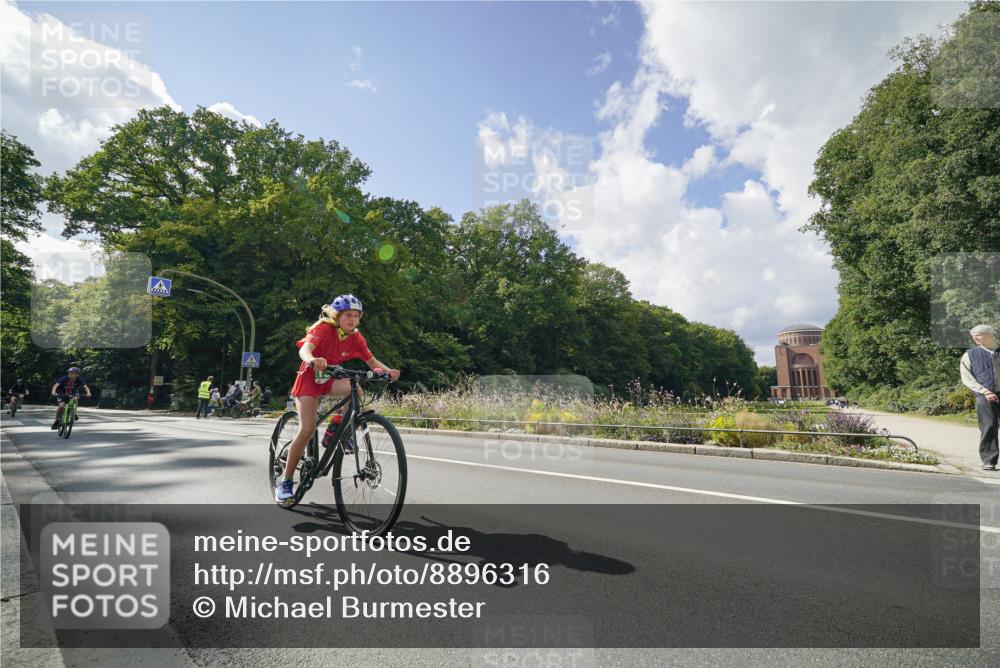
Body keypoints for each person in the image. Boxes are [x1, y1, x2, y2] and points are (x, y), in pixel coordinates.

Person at [274, 294, 400, 504]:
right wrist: (313, 359)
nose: (353, 319)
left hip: (330, 379)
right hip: (308, 380)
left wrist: (388, 372)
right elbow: (304, 349)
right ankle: (286, 482)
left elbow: (372, 361)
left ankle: (336, 428)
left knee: (356, 389)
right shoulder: (323, 328)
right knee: (307, 428)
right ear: (337, 315)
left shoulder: (356, 337)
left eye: (357, 316)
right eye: (348, 315)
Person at [960, 324, 1000, 471]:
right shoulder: (970, 355)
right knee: (989, 426)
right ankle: (989, 460)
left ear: (990, 334)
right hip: (985, 394)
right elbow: (967, 378)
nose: (975, 337)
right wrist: (985, 391)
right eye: (973, 335)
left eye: (979, 334)